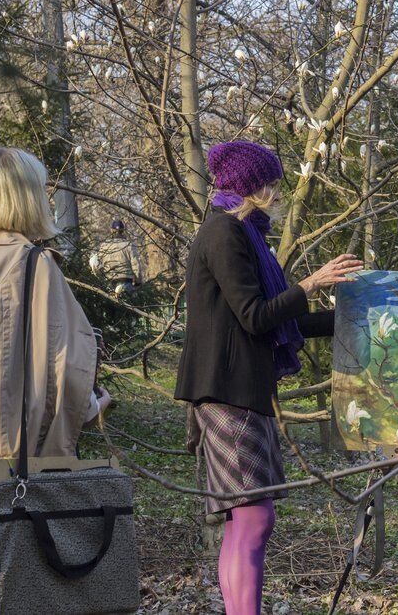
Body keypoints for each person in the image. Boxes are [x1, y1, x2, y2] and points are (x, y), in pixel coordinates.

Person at [174, 140, 363, 615]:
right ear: (249, 186)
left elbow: (282, 321)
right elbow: (256, 316)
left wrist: (353, 317)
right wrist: (310, 283)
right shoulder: (224, 233)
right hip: (225, 392)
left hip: (241, 391)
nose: (277, 193)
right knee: (254, 517)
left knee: (247, 521)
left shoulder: (244, 236)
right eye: (270, 184)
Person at [0, 147, 111, 610]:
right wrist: (91, 407)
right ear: (28, 198)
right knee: (32, 590)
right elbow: (64, 375)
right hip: (24, 461)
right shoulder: (32, 267)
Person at [98, 219, 142, 295]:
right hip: (126, 281)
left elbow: (98, 264)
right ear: (123, 231)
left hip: (108, 281)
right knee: (125, 305)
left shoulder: (104, 246)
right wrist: (138, 282)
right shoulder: (129, 245)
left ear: (111, 230)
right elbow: (136, 265)